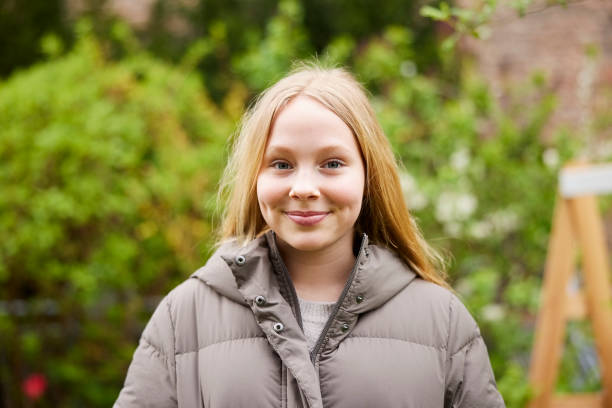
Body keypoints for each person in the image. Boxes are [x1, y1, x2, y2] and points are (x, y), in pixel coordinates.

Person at [114, 64, 506, 408]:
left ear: (369, 176)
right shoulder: (185, 317)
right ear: (255, 177)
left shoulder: (441, 322)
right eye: (281, 164)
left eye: (332, 164)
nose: (303, 187)